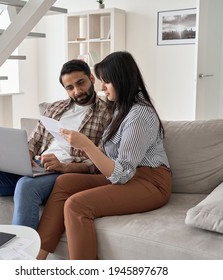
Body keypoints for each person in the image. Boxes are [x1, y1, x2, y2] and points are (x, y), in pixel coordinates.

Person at [36, 51, 172, 260]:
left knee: (76, 205)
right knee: (64, 183)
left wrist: (87, 145)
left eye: (106, 82)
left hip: (150, 182)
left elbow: (122, 173)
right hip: (130, 176)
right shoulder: (121, 108)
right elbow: (112, 162)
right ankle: (37, 258)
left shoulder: (140, 114)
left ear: (121, 80)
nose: (101, 88)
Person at [0, 59, 111, 230]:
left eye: (81, 83)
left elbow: (100, 161)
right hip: (37, 165)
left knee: (25, 186)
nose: (77, 91)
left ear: (92, 79)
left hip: (63, 172)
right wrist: (24, 155)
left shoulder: (107, 113)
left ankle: (21, 254)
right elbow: (34, 141)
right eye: (70, 88)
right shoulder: (55, 108)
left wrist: (64, 166)